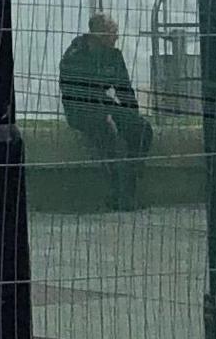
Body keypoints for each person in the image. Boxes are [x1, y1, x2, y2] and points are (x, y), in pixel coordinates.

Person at [57, 13, 152, 208]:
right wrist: (103, 113)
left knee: (141, 129)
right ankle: (117, 193)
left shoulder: (114, 56)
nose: (116, 37)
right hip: (80, 107)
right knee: (107, 135)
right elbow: (74, 90)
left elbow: (124, 90)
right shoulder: (76, 55)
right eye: (112, 33)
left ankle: (131, 182)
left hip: (104, 104)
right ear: (99, 35)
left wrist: (131, 115)